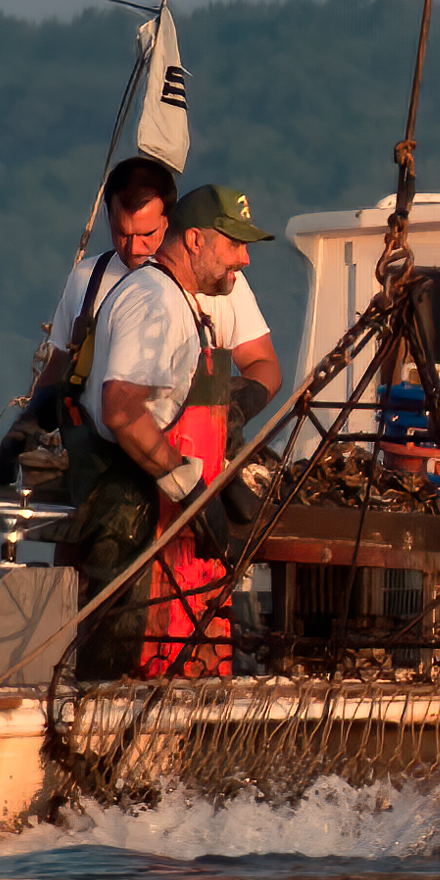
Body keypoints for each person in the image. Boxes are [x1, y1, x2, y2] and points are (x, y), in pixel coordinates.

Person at [69, 184, 273, 679]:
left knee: (168, 673)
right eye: (234, 245)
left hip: (153, 510)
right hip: (130, 517)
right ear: (196, 240)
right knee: (119, 688)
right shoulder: (156, 301)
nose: (244, 260)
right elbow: (121, 410)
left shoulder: (176, 299)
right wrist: (189, 487)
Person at [0, 157, 281, 483]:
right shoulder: (88, 279)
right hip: (98, 472)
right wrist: (28, 423)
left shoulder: (220, 283)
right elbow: (60, 369)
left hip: (188, 465)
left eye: (146, 234)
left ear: (172, 222)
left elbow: (263, 363)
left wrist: (235, 407)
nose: (133, 248)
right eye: (121, 233)